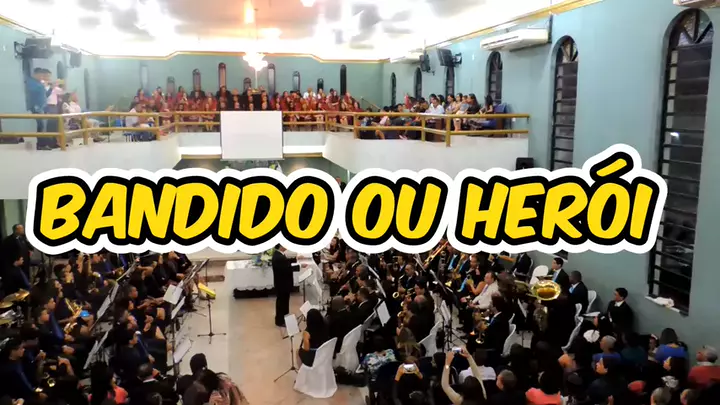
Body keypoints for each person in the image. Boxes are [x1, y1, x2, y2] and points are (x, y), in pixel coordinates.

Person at [271, 245, 296, 327]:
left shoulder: (279, 254)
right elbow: (287, 268)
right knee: (282, 303)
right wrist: (299, 266)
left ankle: (284, 318)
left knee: (284, 302)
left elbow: (286, 262)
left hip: (282, 283)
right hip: (283, 284)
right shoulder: (279, 257)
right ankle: (280, 321)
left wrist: (296, 259)